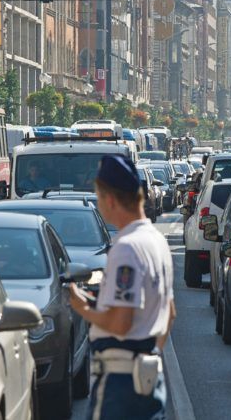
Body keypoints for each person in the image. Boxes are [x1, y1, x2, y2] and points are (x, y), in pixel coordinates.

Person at [69, 155, 175, 420]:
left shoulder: (127, 247)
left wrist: (82, 306)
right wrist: (147, 354)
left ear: (110, 199)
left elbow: (120, 323)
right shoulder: (157, 241)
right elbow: (169, 313)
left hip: (120, 384)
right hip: (149, 377)